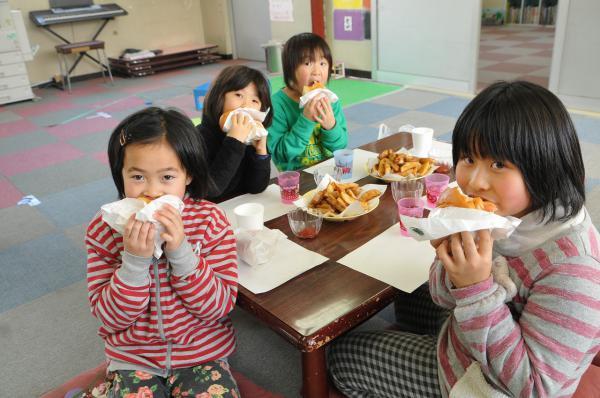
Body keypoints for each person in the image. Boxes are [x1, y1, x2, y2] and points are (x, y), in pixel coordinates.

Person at [328, 81, 600, 397]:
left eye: (498, 164)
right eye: (469, 158)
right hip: (476, 331)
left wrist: (474, 288)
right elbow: (443, 295)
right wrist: (453, 258)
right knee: (405, 297)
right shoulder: (508, 213)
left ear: (546, 166)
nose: (474, 181)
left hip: (484, 385)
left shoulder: (575, 273)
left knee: (340, 355)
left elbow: (534, 387)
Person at [85, 107, 240, 397]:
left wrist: (182, 253)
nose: (153, 191)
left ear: (188, 174)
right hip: (133, 356)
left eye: (167, 177)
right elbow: (110, 318)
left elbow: (218, 307)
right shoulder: (104, 228)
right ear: (121, 174)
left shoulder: (210, 221)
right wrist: (133, 263)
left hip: (201, 351)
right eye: (138, 177)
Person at [267, 32, 348, 171]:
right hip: (298, 179)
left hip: (330, 173)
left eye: (323, 63)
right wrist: (306, 120)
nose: (317, 71)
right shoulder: (277, 104)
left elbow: (341, 146)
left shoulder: (331, 100)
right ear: (291, 69)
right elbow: (280, 155)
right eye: (307, 63)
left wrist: (331, 126)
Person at [198, 65, 273, 202]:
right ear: (220, 97)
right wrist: (234, 140)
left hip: (243, 208)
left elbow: (257, 187)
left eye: (254, 101)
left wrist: (261, 152)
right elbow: (212, 190)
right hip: (211, 214)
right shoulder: (200, 137)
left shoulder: (250, 136)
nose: (246, 106)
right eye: (238, 95)